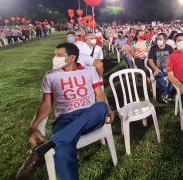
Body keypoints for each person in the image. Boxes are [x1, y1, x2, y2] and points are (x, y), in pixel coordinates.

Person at [16, 43, 114, 180]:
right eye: (55, 55)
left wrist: (108, 109)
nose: (55, 58)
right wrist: (33, 126)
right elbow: (46, 104)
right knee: (63, 152)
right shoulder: (50, 76)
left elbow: (99, 94)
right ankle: (55, 143)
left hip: (89, 116)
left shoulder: (89, 71)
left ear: (72, 57)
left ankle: (45, 148)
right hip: (65, 120)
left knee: (101, 107)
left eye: (59, 55)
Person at [148, 33, 174, 103]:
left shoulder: (169, 48)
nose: (158, 40)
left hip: (168, 68)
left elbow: (173, 59)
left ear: (165, 40)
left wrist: (171, 68)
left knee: (173, 78)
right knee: (160, 76)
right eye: (157, 39)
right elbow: (150, 60)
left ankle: (165, 94)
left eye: (160, 39)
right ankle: (166, 94)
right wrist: (156, 68)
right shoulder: (153, 48)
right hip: (158, 69)